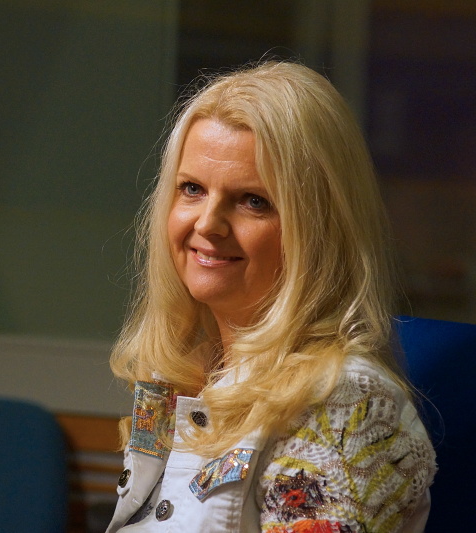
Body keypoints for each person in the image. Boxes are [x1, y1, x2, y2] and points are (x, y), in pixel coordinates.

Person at [106, 61, 436, 532]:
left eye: (252, 201)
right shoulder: (185, 373)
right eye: (192, 189)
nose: (207, 224)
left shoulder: (345, 403)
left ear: (319, 231)